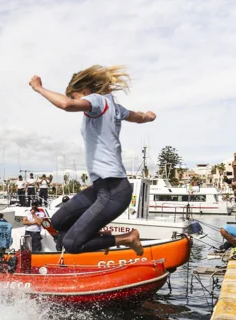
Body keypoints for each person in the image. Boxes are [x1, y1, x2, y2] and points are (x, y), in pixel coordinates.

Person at [29, 66, 151, 255]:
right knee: (59, 221)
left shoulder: (97, 101)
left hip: (114, 191)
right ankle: (96, 235)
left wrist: (39, 88)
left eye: (77, 96)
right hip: (101, 188)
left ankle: (127, 238)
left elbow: (66, 105)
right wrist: (149, 116)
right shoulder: (115, 107)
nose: (79, 102)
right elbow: (138, 117)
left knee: (71, 245)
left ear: (85, 91)